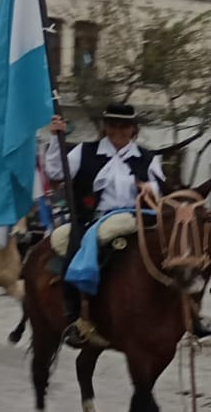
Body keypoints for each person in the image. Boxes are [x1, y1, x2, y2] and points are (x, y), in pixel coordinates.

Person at [43, 103, 166, 347]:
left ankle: (185, 314)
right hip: (93, 219)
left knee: (176, 257)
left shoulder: (148, 158)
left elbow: (161, 191)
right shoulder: (84, 151)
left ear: (133, 129)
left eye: (124, 126)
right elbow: (56, 172)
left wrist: (149, 189)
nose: (118, 130)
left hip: (136, 220)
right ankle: (76, 318)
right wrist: (57, 138)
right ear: (105, 127)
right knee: (73, 257)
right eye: (113, 125)